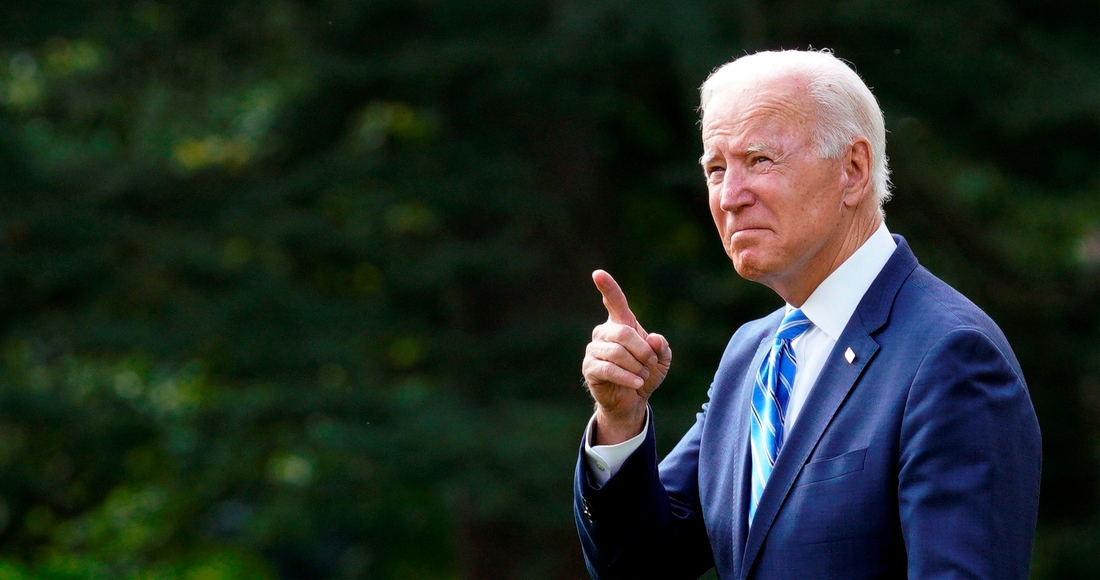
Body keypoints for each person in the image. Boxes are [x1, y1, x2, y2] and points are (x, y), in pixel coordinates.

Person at [574, 49, 1042, 580]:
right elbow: (638, 567)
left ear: (853, 170)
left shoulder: (951, 355)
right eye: (716, 169)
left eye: (759, 160)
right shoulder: (751, 354)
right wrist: (620, 419)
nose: (729, 197)